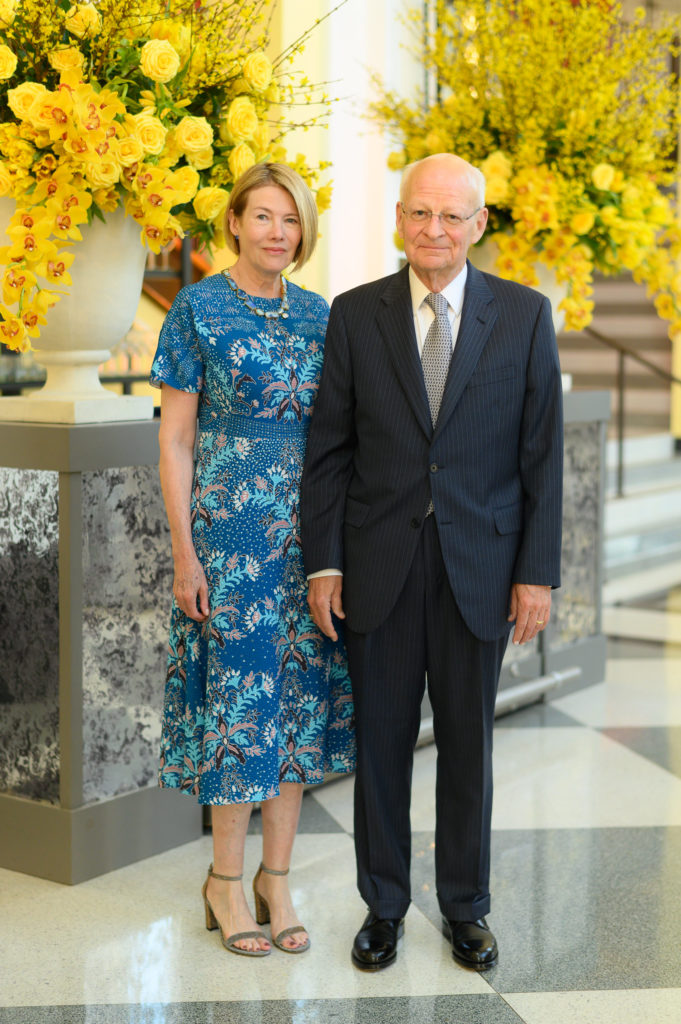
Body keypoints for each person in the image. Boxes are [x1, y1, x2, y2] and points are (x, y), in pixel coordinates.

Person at [300, 153, 563, 972]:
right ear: (398, 220)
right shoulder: (354, 314)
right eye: (420, 214)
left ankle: (465, 908)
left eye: (452, 217)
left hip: (480, 569)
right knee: (378, 746)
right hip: (377, 569)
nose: (434, 230)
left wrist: (535, 573)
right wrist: (324, 564)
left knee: (467, 747)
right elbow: (330, 452)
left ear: (478, 226)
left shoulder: (522, 315)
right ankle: (382, 905)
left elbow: (541, 457)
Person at [151, 162, 355, 958]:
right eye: (263, 216)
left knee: (298, 701)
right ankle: (224, 882)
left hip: (308, 535)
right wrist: (183, 550)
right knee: (239, 703)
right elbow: (173, 436)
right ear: (233, 222)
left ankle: (278, 877)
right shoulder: (196, 307)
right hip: (228, 536)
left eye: (291, 220)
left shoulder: (320, 316)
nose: (277, 231)